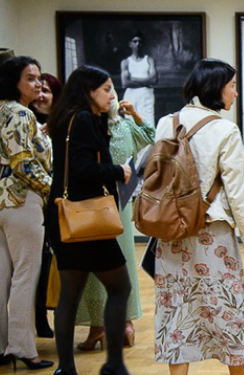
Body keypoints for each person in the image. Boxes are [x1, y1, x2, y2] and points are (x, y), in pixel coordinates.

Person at [154, 58, 244, 375]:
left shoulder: (166, 122)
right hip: (210, 232)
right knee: (226, 309)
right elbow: (238, 194)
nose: (236, 93)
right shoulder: (225, 130)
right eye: (232, 86)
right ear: (217, 89)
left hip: (170, 231)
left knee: (177, 309)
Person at [46, 65, 133, 375]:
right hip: (88, 217)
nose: (111, 95)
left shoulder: (65, 116)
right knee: (120, 287)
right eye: (106, 89)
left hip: (64, 215)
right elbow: (83, 167)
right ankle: (113, 365)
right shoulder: (83, 119)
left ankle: (66, 369)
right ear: (89, 91)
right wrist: (118, 172)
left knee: (70, 293)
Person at [75, 88, 155, 350]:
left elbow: (151, 137)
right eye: (105, 92)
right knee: (107, 263)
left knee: (111, 263)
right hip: (103, 203)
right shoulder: (100, 126)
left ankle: (114, 325)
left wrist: (133, 113)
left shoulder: (117, 126)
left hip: (106, 203)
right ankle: (110, 326)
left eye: (112, 92)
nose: (110, 97)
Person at [0, 56, 53, 370]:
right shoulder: (21, 113)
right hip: (22, 200)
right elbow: (24, 163)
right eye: (31, 78)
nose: (38, 84)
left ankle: (4, 345)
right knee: (25, 276)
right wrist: (53, 189)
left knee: (2, 277)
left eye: (39, 78)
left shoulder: (2, 110)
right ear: (14, 81)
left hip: (2, 200)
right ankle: (22, 347)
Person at [31, 72, 63, 339]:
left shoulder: (62, 125)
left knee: (52, 262)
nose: (40, 95)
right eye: (36, 89)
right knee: (36, 263)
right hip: (34, 200)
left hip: (56, 203)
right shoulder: (27, 124)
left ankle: (51, 312)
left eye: (46, 91)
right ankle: (39, 316)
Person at [120, 30, 157, 126]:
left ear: (143, 44)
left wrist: (134, 79)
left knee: (148, 125)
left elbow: (154, 80)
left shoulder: (149, 60)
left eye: (140, 41)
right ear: (130, 44)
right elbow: (125, 83)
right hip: (130, 96)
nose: (138, 44)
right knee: (131, 126)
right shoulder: (126, 62)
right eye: (135, 41)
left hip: (146, 96)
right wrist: (146, 82)